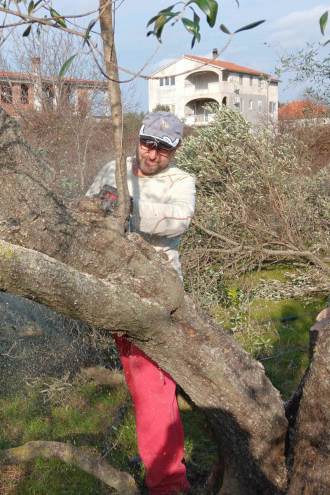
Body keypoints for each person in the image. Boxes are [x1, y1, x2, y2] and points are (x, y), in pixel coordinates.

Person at [86, 111, 196, 495]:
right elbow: (87, 214)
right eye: (148, 144)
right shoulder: (113, 169)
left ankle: (167, 483)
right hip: (116, 289)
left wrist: (126, 206)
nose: (152, 155)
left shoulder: (181, 182)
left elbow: (177, 221)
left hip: (156, 295)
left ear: (175, 149)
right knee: (146, 386)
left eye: (163, 149)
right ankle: (160, 461)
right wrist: (96, 210)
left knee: (153, 388)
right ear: (138, 138)